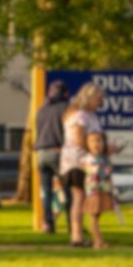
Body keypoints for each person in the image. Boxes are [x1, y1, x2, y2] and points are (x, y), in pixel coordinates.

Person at [60, 82, 106, 247]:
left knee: (81, 198)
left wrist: (105, 148)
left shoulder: (89, 115)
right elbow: (78, 140)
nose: (101, 102)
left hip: (85, 161)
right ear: (89, 97)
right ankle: (77, 236)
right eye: (98, 98)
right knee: (79, 198)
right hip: (77, 162)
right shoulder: (80, 116)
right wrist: (98, 148)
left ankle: (78, 235)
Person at [34, 80, 69, 233]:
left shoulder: (41, 109)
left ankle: (48, 224)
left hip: (41, 153)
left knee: (46, 191)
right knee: (68, 189)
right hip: (57, 151)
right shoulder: (65, 108)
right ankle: (72, 224)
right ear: (65, 94)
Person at [81, 132, 114, 250]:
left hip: (102, 190)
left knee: (97, 216)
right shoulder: (89, 158)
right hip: (94, 191)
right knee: (94, 216)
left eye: (99, 140)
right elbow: (95, 171)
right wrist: (104, 170)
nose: (96, 144)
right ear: (87, 144)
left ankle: (98, 241)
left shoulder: (103, 158)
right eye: (93, 141)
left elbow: (107, 172)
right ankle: (98, 242)